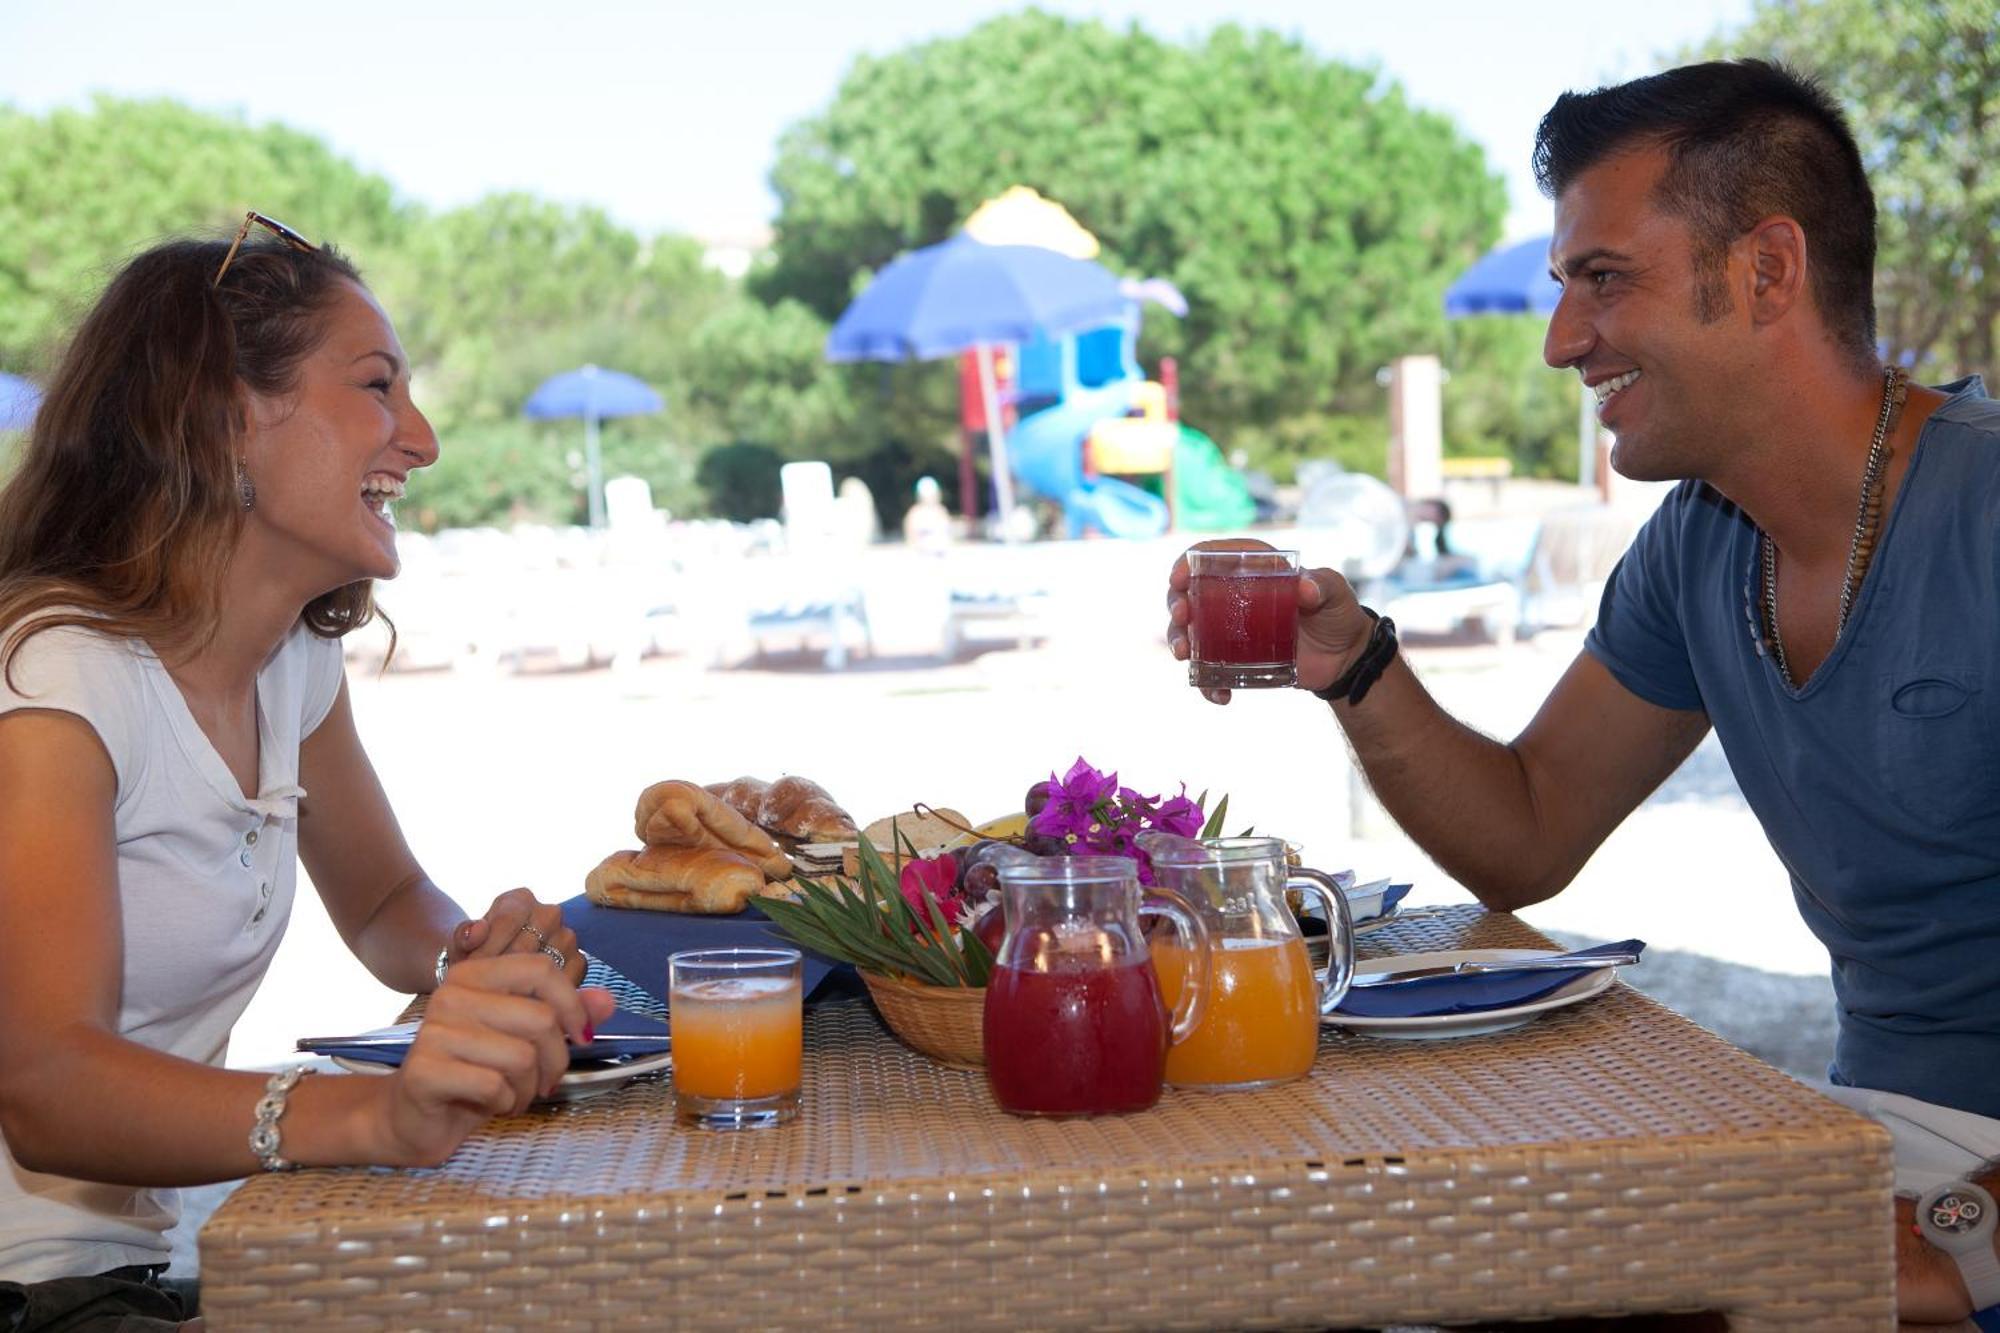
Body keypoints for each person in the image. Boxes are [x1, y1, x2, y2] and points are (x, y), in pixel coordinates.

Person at [1167, 61, 2000, 1329]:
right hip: (1875, 1147)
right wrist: (1356, 667)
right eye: (1564, 286)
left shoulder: (1982, 512)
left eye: (1603, 279)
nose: (1561, 340)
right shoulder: (1697, 543)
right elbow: (1527, 832)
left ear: (1766, 271)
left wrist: (1967, 1242)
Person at [0, 215, 616, 1330]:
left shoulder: (289, 660)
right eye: (378, 386)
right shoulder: (52, 685)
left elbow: (384, 903)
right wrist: (373, 1115)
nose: (422, 439)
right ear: (227, 416)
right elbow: (48, 1088)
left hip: (147, 1261)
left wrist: (475, 957)